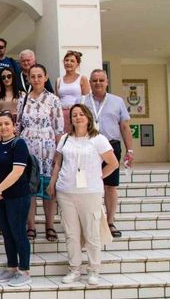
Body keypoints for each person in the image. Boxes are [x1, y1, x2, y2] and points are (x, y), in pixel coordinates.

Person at [47, 104, 119, 286]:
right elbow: (58, 163)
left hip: (89, 192)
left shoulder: (98, 139)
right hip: (66, 191)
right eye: (74, 115)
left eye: (81, 114)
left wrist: (98, 177)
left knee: (91, 233)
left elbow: (113, 163)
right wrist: (52, 183)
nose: (78, 117)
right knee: (71, 233)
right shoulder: (65, 139)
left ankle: (94, 270)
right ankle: (74, 269)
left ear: (88, 117)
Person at [83, 69, 134, 238]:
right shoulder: (82, 101)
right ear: (89, 82)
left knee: (110, 186)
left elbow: (125, 127)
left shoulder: (117, 101)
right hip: (88, 148)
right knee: (87, 185)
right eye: (94, 80)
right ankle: (90, 221)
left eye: (101, 80)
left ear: (107, 82)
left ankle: (110, 222)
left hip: (110, 148)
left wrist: (130, 150)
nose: (98, 83)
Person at [16, 64, 63, 242]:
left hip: (48, 148)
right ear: (28, 78)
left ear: (45, 77)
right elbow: (18, 125)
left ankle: (49, 225)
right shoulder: (23, 99)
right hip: (28, 148)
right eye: (32, 76)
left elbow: (58, 129)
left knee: (48, 189)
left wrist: (58, 155)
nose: (36, 79)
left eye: (39, 76)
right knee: (30, 189)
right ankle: (31, 226)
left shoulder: (54, 100)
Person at [0, 111, 32, 287]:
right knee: (6, 233)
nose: (3, 127)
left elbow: (17, 171)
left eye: (7, 123)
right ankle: (12, 266)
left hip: (17, 197)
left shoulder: (19, 144)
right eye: (0, 125)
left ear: (14, 126)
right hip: (0, 198)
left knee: (18, 233)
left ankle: (24, 270)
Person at [56, 51, 90, 133]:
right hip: (62, 114)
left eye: (72, 61)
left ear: (77, 64)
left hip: (76, 114)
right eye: (66, 60)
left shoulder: (82, 79)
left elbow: (87, 99)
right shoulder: (58, 80)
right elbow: (57, 99)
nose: (68, 63)